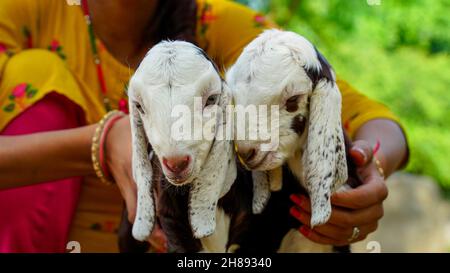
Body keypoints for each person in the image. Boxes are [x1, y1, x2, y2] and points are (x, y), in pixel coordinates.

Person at [0, 0, 408, 252]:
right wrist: (99, 144)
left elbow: (367, 116)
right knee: (35, 69)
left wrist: (367, 171)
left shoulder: (218, 25)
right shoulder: (27, 13)